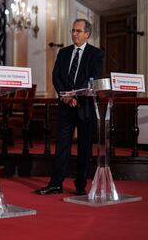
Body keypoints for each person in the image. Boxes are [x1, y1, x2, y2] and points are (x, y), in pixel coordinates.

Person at [36, 18, 104, 196]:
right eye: (73, 30)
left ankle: (80, 185)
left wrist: (75, 95)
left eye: (78, 31)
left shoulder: (96, 54)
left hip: (85, 106)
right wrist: (66, 96)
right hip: (66, 106)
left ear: (87, 34)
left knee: (84, 147)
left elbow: (93, 77)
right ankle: (55, 183)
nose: (74, 34)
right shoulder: (64, 52)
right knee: (62, 146)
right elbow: (56, 76)